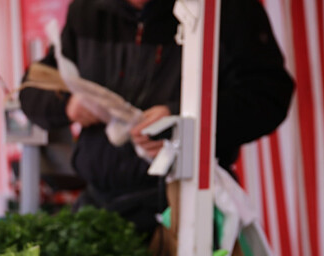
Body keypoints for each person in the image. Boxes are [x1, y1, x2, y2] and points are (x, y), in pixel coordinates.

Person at [19, 0, 294, 236]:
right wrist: (68, 104)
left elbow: (268, 97)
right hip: (100, 210)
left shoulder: (226, 8)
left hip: (190, 214)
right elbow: (31, 90)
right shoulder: (87, 10)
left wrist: (182, 120)